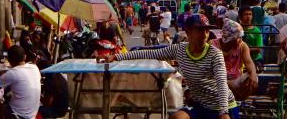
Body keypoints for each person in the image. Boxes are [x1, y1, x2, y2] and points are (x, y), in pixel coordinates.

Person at [106, 14, 238, 119]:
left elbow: (221, 83)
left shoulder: (215, 54)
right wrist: (117, 56)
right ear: (188, 32)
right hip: (200, 105)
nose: (204, 34)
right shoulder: (179, 49)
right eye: (199, 30)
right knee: (176, 117)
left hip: (222, 105)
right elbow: (150, 53)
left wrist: (223, 112)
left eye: (207, 31)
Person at [210, 19, 258, 101]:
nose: (239, 40)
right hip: (216, 80)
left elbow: (248, 62)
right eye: (237, 38)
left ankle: (238, 100)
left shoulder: (242, 46)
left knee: (254, 79)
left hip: (236, 80)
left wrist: (253, 74)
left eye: (240, 37)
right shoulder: (212, 45)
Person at [0, 45, 41, 119]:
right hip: (33, 115)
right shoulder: (35, 67)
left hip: (18, 115)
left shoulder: (12, 73)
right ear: (25, 57)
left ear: (9, 60)